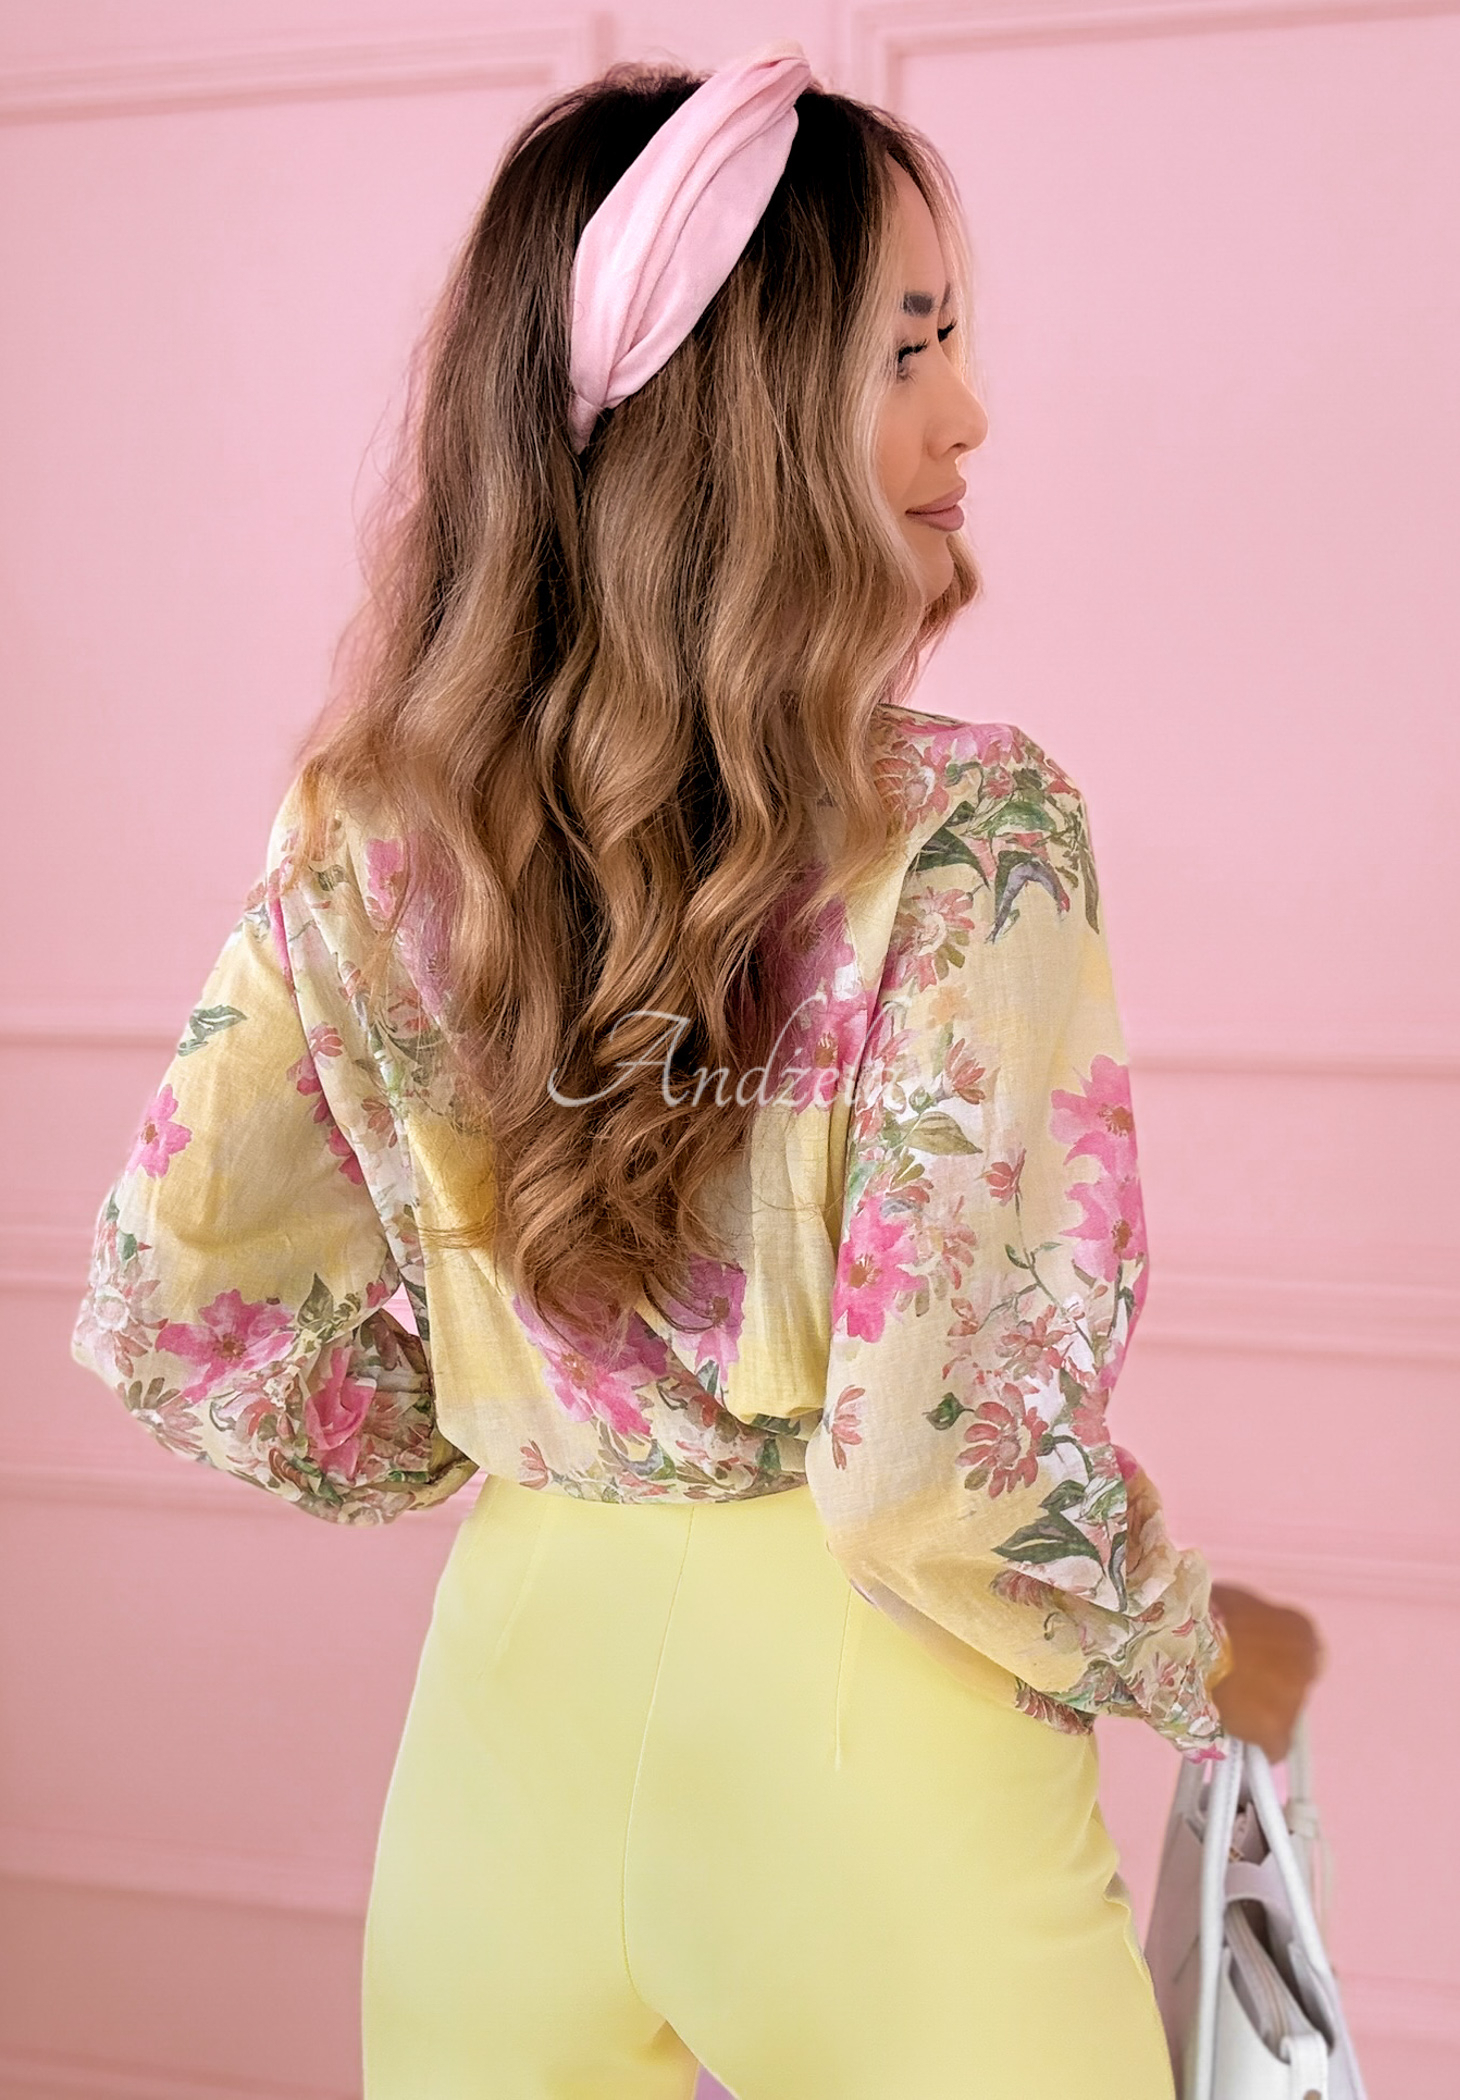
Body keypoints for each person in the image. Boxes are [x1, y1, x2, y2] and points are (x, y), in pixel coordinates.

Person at [71, 41, 1323, 2100]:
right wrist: (1211, 1652)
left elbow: (171, 1304)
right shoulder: (969, 837)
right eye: (906, 345)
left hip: (505, 1737)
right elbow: (938, 1473)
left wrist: (502, 1432)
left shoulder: (367, 830)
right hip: (875, 1758)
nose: (968, 411)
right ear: (747, 411)